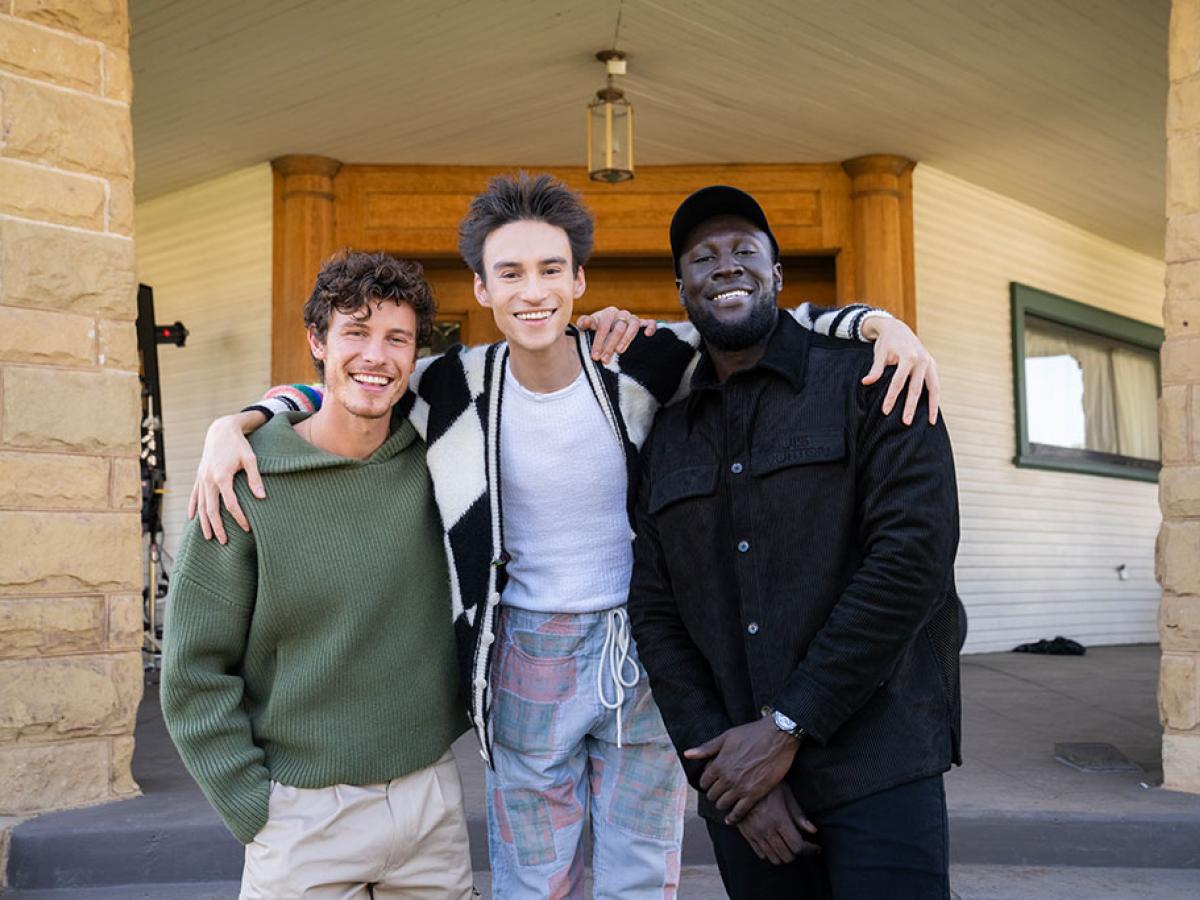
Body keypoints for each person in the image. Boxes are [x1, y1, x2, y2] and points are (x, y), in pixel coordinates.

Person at [189, 173, 941, 898]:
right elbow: (351, 384)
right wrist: (245, 421)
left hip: (638, 654)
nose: (533, 290)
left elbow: (753, 319)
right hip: (522, 653)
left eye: (552, 269)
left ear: (579, 279)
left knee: (640, 874)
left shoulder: (640, 361)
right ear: (482, 290)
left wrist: (877, 324)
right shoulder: (453, 384)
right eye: (509, 273)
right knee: (533, 879)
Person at [627, 186, 962, 900]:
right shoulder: (667, 436)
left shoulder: (874, 382)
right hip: (747, 796)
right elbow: (655, 613)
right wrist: (726, 776)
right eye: (703, 257)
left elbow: (914, 561)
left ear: (778, 275)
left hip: (879, 759)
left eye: (745, 250)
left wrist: (785, 729)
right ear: (681, 288)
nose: (726, 266)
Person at [160, 251, 474, 899]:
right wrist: (254, 806)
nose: (376, 356)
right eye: (355, 332)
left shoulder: (442, 459)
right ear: (317, 342)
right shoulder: (245, 480)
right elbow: (193, 669)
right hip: (301, 816)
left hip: (428, 804)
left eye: (397, 339)